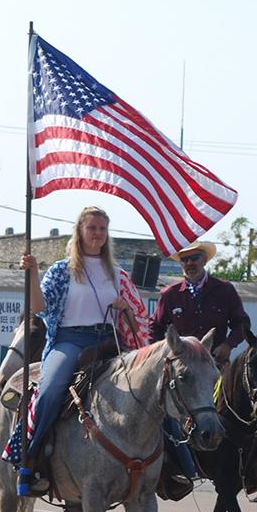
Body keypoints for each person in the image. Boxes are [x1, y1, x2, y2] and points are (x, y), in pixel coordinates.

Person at [17, 206, 150, 496]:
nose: (98, 234)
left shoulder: (117, 274)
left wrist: (124, 307)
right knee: (51, 389)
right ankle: (32, 457)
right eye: (92, 228)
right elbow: (39, 308)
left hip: (109, 342)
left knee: (150, 387)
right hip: (70, 341)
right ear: (80, 231)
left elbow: (139, 316)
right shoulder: (62, 271)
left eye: (102, 229)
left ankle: (175, 463)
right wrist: (33, 272)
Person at [149, 239, 250, 484]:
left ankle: (253, 464)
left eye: (194, 258)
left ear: (205, 260)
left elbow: (242, 323)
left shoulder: (224, 290)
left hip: (214, 366)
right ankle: (170, 469)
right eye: (185, 259)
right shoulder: (170, 295)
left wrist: (228, 345)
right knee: (160, 412)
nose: (190, 263)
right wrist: (159, 355)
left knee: (245, 408)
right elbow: (155, 328)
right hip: (181, 370)